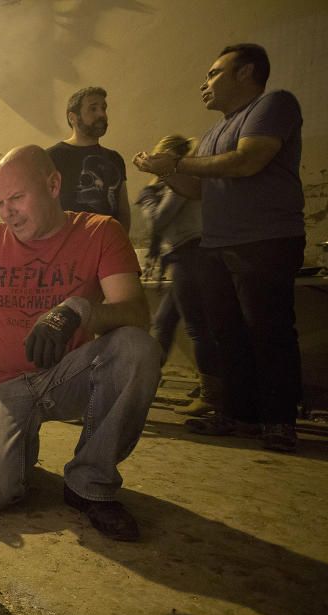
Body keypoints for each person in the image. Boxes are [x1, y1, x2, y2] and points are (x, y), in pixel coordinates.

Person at [0, 145, 159, 542]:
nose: (7, 212)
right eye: (0, 203)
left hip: (66, 374)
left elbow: (136, 313)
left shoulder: (99, 232)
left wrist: (78, 310)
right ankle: (17, 446)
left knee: (136, 349)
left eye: (17, 198)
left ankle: (89, 482)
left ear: (53, 184)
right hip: (0, 384)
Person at [133, 43, 305, 452]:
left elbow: (248, 161)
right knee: (228, 333)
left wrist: (174, 164)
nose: (204, 82)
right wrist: (162, 173)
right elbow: (196, 187)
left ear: (245, 73)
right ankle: (240, 414)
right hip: (216, 244)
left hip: (264, 239)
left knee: (269, 331)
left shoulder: (273, 105)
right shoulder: (212, 134)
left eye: (213, 72)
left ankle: (279, 421)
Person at [135, 135, 218, 416]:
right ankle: (141, 388)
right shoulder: (175, 179)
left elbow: (159, 219)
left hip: (191, 253)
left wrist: (148, 199)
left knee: (197, 326)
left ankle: (212, 396)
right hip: (184, 254)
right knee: (163, 323)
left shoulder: (180, 177)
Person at [47, 87, 131, 232]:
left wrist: (121, 243)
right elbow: (43, 208)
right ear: (72, 118)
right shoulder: (51, 157)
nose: (101, 114)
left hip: (108, 248)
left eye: (103, 108)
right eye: (93, 109)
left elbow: (123, 210)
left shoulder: (114, 158)